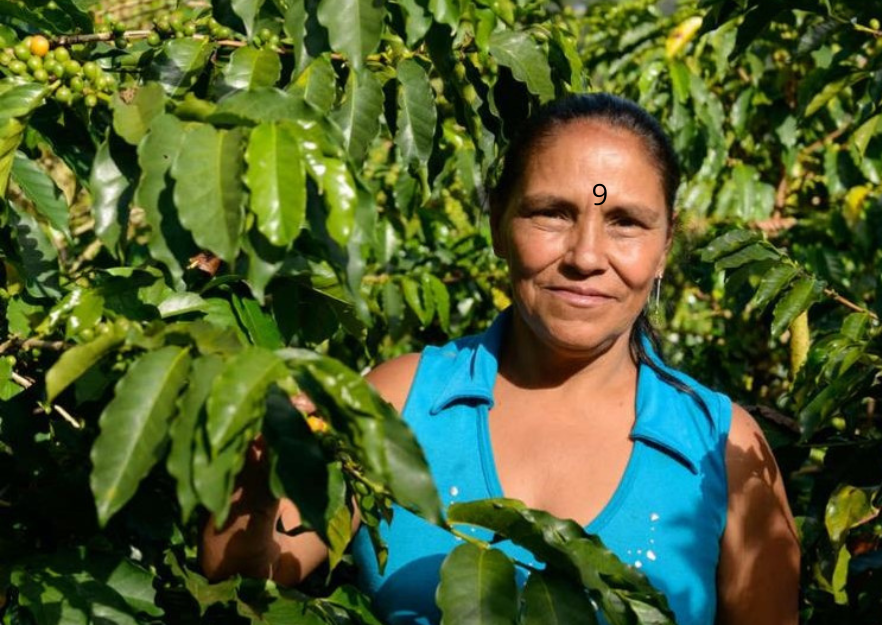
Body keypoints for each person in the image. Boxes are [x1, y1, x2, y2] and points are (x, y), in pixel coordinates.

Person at [200, 93, 801, 624]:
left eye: (625, 222)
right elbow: (246, 580)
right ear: (497, 224)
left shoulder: (723, 452)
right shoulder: (400, 402)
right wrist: (258, 467)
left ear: (665, 247)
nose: (586, 256)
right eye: (552, 213)